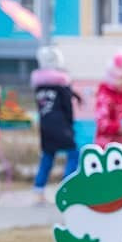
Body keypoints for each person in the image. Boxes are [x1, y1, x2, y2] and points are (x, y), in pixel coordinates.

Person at [31, 45, 82, 204]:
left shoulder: (39, 87)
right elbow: (67, 107)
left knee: (47, 156)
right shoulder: (62, 84)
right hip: (61, 126)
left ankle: (38, 190)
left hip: (45, 127)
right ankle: (67, 187)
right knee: (74, 153)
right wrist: (70, 124)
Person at [94, 51, 122, 147]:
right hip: (107, 144)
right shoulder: (104, 96)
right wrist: (118, 127)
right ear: (112, 79)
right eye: (121, 78)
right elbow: (101, 121)